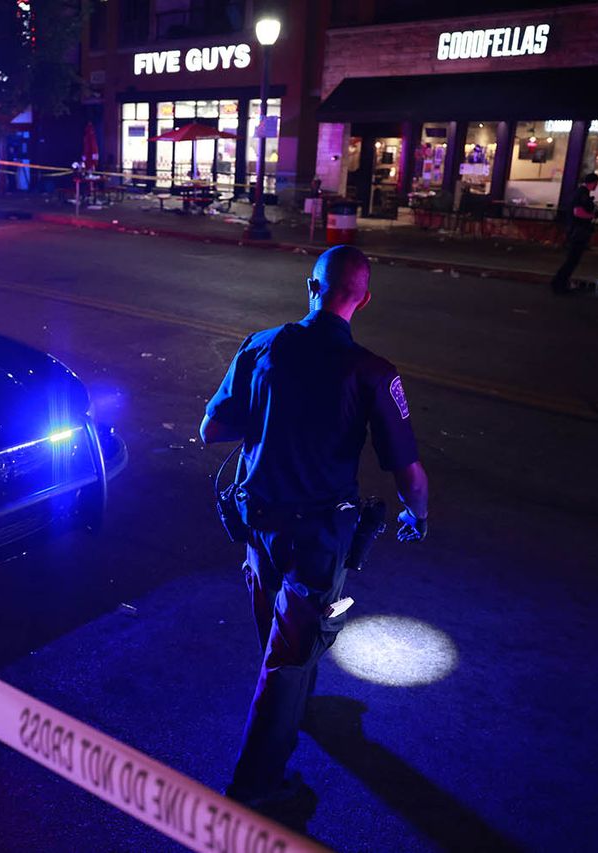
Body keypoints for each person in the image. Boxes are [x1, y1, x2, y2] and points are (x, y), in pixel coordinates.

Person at [200, 245, 430, 811]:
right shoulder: (373, 373)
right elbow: (409, 472)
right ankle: (253, 787)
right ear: (364, 299)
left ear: (312, 287)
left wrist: (273, 413)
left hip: (258, 526)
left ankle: (292, 710)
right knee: (289, 659)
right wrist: (416, 515)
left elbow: (212, 429)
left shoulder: (261, 347)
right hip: (318, 540)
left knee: (277, 641)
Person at [551, 173, 598, 294]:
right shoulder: (582, 194)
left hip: (575, 230)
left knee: (572, 259)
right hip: (578, 231)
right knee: (572, 259)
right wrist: (592, 215)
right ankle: (559, 283)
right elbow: (578, 212)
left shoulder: (580, 192)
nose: (596, 186)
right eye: (596, 183)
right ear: (592, 182)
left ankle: (559, 282)